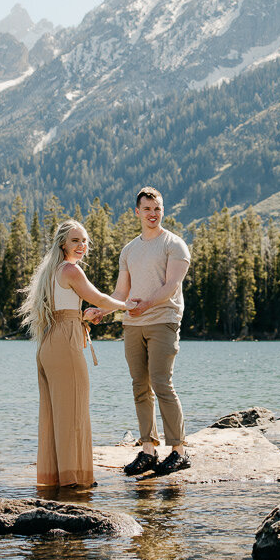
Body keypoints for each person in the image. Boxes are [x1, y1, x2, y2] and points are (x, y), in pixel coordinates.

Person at [18, 219, 135, 491]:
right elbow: (100, 298)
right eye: (75, 240)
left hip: (50, 342)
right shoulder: (71, 270)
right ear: (63, 243)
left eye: (84, 240)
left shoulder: (50, 272)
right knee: (73, 411)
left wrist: (83, 316)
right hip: (65, 343)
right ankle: (75, 480)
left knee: (54, 413)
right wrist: (127, 305)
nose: (82, 245)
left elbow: (65, 310)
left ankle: (54, 479)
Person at [115, 187, 193, 477]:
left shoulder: (175, 245)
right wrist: (103, 309)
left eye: (157, 208)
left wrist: (145, 304)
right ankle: (148, 450)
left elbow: (171, 285)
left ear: (163, 210)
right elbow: (121, 292)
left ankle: (179, 451)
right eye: (147, 209)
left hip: (163, 321)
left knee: (162, 383)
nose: (152, 214)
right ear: (137, 212)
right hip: (132, 325)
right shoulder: (129, 250)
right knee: (139, 386)